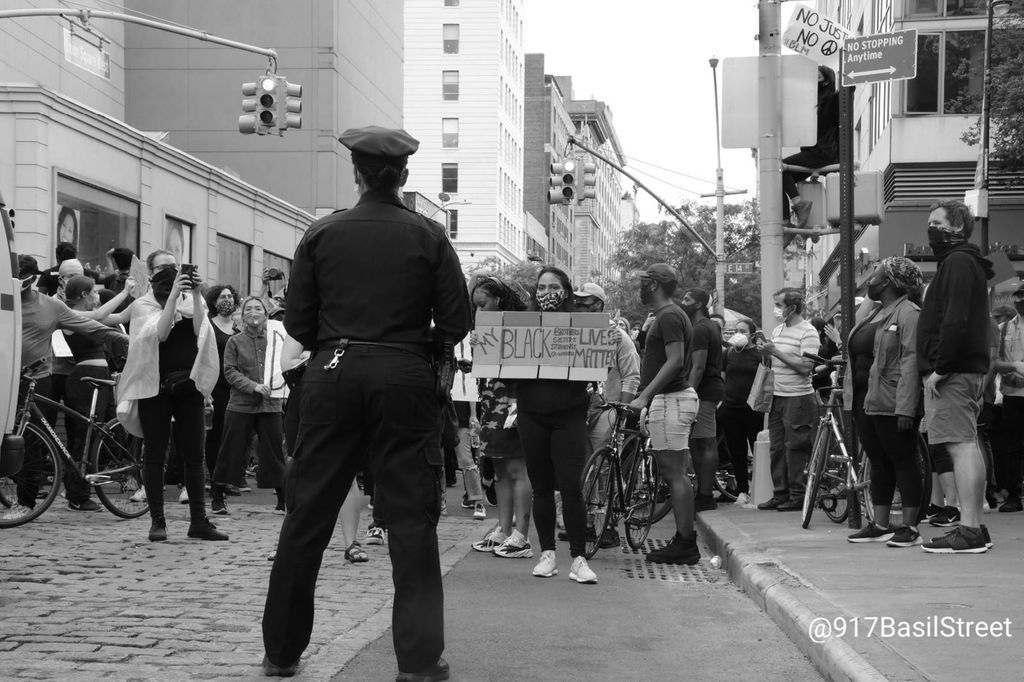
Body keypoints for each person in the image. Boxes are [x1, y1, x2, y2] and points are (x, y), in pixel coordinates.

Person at [262, 126, 471, 680]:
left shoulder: (322, 233)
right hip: (404, 374)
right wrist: (426, 349)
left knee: (307, 515)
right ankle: (419, 661)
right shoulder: (428, 235)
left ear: (356, 174)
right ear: (403, 176)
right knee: (410, 521)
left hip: (333, 372)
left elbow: (299, 323)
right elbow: (456, 320)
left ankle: (281, 652)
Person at [116, 249, 226, 543]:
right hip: (155, 388)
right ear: (151, 274)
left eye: (175, 268)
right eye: (164, 269)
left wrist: (198, 293)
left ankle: (199, 521)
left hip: (188, 387)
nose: (172, 273)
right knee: (155, 454)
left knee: (194, 454)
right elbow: (160, 333)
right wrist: (173, 298)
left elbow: (201, 329)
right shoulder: (143, 305)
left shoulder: (193, 301)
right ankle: (158, 521)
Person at [11, 256, 128, 515]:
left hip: (36, 378)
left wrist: (119, 337)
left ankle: (26, 504)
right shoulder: (5, 301)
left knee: (30, 440)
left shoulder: (51, 306)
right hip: (6, 378)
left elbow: (91, 325)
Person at [511, 266, 598, 585]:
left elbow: (594, 370)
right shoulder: (522, 327)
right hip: (531, 415)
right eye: (542, 287)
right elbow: (506, 373)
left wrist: (605, 341)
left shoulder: (583, 328)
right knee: (542, 488)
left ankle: (578, 558)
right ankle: (547, 553)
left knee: (571, 487)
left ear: (566, 291)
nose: (547, 293)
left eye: (554, 287)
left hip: (569, 416)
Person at [917, 200, 994, 554]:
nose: (930, 229)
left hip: (954, 372)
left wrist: (940, 368)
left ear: (957, 227)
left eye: (936, 222)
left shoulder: (959, 262)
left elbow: (955, 318)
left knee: (960, 446)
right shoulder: (963, 262)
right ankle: (974, 525)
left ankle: (970, 529)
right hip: (962, 369)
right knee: (965, 444)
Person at [842, 257, 926, 547]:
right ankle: (880, 524)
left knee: (903, 460)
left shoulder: (909, 312)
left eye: (876, 275)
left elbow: (912, 360)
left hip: (894, 400)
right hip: (866, 400)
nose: (871, 281)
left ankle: (910, 528)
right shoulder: (875, 312)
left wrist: (907, 406)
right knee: (878, 461)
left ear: (889, 282)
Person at [628, 264, 700, 565]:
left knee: (674, 473)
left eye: (644, 282)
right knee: (673, 472)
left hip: (672, 400)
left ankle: (686, 543)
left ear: (655, 285)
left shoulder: (669, 315)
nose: (640, 286)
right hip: (669, 400)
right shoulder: (666, 315)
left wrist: (645, 395)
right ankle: (683, 540)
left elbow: (675, 361)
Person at [469, 275, 534, 559]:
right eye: (475, 307)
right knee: (499, 469)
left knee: (517, 469)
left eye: (482, 305)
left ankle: (521, 534)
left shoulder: (520, 327)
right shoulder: (487, 330)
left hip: (513, 403)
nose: (478, 313)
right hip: (491, 400)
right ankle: (504, 530)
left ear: (498, 300)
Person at [60, 275, 134, 511]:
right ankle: (77, 494)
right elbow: (101, 315)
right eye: (93, 292)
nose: (96, 297)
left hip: (98, 378)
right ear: (82, 295)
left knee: (94, 434)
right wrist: (123, 292)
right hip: (85, 379)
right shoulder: (70, 314)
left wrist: (146, 296)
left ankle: (80, 488)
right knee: (84, 434)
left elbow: (122, 316)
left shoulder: (87, 315)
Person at [575, 281, 640, 548]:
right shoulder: (571, 333)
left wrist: (621, 410)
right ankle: (585, 524)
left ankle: (607, 526)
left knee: (602, 468)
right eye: (576, 303)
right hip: (578, 409)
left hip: (607, 409)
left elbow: (632, 377)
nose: (578, 307)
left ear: (599, 306)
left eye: (584, 304)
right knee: (581, 469)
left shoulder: (618, 338)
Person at [210, 297, 287, 516]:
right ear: (242, 316)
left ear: (266, 314)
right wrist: (253, 386)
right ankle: (218, 496)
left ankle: (282, 500)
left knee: (274, 453)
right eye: (249, 309)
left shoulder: (277, 340)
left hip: (270, 405)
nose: (254, 312)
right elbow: (230, 371)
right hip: (241, 404)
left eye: (258, 308)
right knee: (230, 449)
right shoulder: (235, 341)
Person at [756, 288, 819, 512]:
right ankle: (780, 493)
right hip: (777, 396)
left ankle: (798, 495)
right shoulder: (779, 329)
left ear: (792, 308)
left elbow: (805, 367)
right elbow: (773, 360)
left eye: (780, 305)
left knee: (796, 447)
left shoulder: (808, 332)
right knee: (777, 448)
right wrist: (765, 350)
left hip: (798, 397)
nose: (777, 310)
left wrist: (776, 352)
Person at [679, 288, 725, 512]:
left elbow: (698, 366)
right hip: (707, 390)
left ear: (698, 304)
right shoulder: (710, 327)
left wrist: (689, 393)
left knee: (705, 442)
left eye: (687, 298)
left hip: (704, 392)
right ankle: (703, 492)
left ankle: (706, 495)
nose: (682, 301)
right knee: (698, 442)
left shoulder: (700, 329)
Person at [782, 65, 840, 228]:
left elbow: (839, 125)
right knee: (778, 177)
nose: (811, 79)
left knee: (779, 169)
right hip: (813, 152)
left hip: (821, 152)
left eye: (817, 76)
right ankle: (786, 223)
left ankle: (799, 205)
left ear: (826, 81)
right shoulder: (811, 102)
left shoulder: (831, 100)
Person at [718, 318, 764, 506]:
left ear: (752, 334)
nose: (738, 334)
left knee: (757, 448)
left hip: (753, 409)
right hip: (731, 407)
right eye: (735, 330)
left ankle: (761, 489)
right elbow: (722, 377)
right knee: (736, 451)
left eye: (743, 331)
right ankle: (742, 490)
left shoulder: (759, 354)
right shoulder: (728, 353)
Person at [993, 287, 1024, 513]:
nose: (1021, 301)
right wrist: (1010, 371)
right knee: (1013, 447)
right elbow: (995, 362)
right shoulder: (1003, 329)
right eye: (1019, 297)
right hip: (1012, 396)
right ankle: (1013, 495)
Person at [204, 284, 239, 479]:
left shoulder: (238, 325)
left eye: (230, 296)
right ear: (214, 302)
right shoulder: (209, 324)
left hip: (237, 384)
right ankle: (215, 476)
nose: (228, 300)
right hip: (216, 384)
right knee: (217, 432)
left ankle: (230, 476)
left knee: (233, 433)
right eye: (222, 297)